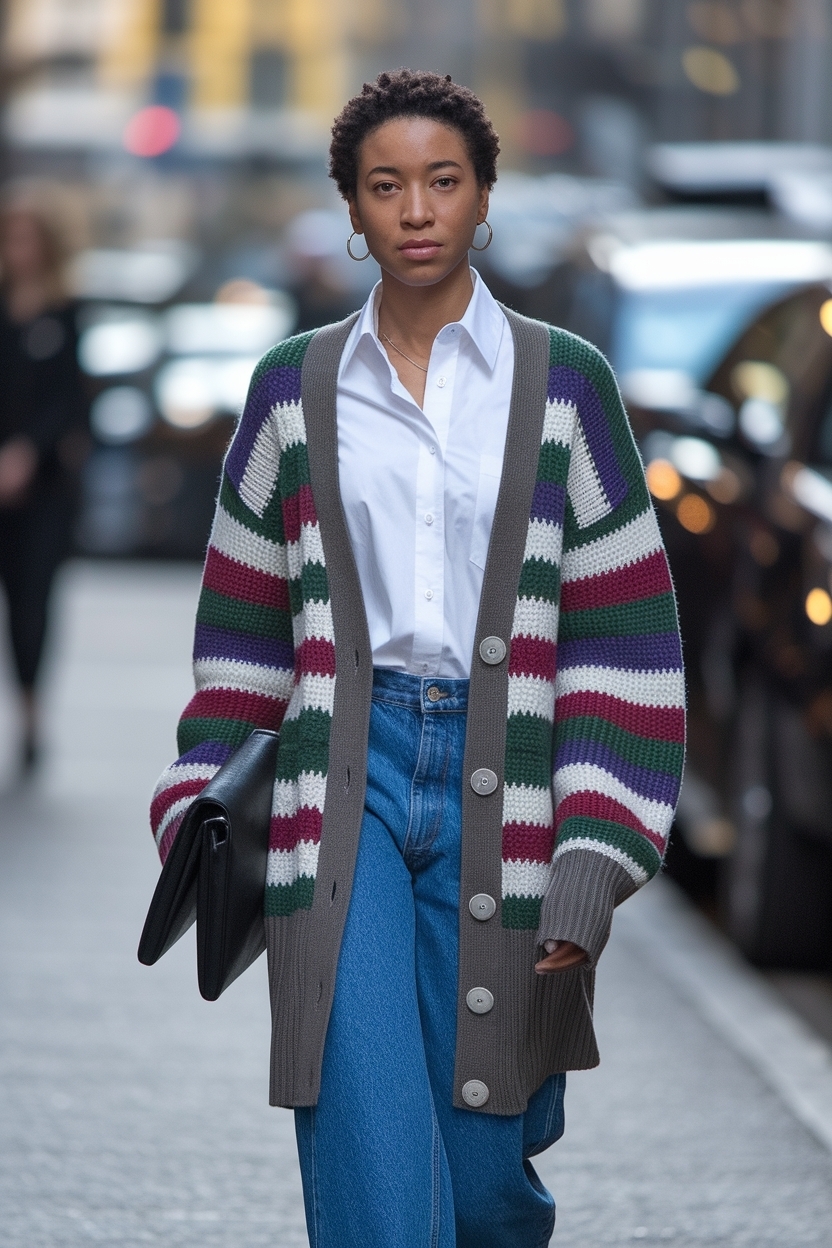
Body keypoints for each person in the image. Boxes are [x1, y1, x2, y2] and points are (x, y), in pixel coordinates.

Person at [151, 70, 684, 1247]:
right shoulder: (292, 390)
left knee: (485, 1176)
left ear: (484, 196)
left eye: (442, 181)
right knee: (376, 1147)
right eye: (384, 186)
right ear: (351, 210)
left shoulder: (567, 387)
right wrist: (198, 797)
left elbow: (623, 641)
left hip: (516, 789)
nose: (417, 210)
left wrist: (593, 858)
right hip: (339, 782)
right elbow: (242, 626)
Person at [0, 198, 86, 771]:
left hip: (44, 489)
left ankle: (31, 712)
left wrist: (28, 451)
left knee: (32, 604)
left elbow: (70, 400)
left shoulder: (65, 312)